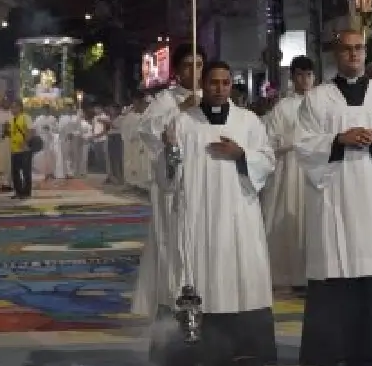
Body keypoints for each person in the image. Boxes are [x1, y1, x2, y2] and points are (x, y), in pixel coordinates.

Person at [294, 29, 372, 366]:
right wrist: (338, 140)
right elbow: (304, 144)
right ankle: (332, 350)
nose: (353, 55)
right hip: (335, 197)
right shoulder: (317, 99)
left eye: (359, 49)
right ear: (336, 53)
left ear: (365, 52)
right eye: (346, 49)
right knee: (335, 270)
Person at [157, 60, 277, 366]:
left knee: (241, 277)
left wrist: (241, 155)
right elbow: (167, 178)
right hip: (198, 215)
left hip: (239, 213)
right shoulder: (183, 123)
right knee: (200, 278)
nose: (220, 89)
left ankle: (244, 348)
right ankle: (198, 348)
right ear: (203, 85)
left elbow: (266, 161)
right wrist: (169, 151)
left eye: (225, 83)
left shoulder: (248, 122)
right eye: (213, 83)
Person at [132, 43, 205, 321]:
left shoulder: (210, 95)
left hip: (204, 181)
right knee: (174, 239)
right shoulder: (166, 99)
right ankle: (171, 295)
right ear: (177, 70)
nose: (194, 71)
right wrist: (180, 111)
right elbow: (148, 131)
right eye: (188, 65)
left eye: (198, 65)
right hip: (173, 182)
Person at [261, 56, 315, 293]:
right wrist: (290, 143)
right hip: (289, 171)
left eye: (309, 75)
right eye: (300, 75)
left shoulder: (323, 103)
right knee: (289, 222)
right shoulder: (283, 108)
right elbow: (269, 142)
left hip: (315, 171)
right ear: (293, 78)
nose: (305, 80)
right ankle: (289, 273)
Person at [8, 100, 35, 199]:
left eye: (14, 107)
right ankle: (18, 191)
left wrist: (26, 142)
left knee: (26, 172)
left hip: (24, 149)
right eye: (11, 107)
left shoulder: (25, 117)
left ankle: (26, 192)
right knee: (15, 172)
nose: (12, 109)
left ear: (20, 107)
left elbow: (31, 131)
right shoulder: (12, 119)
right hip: (14, 149)